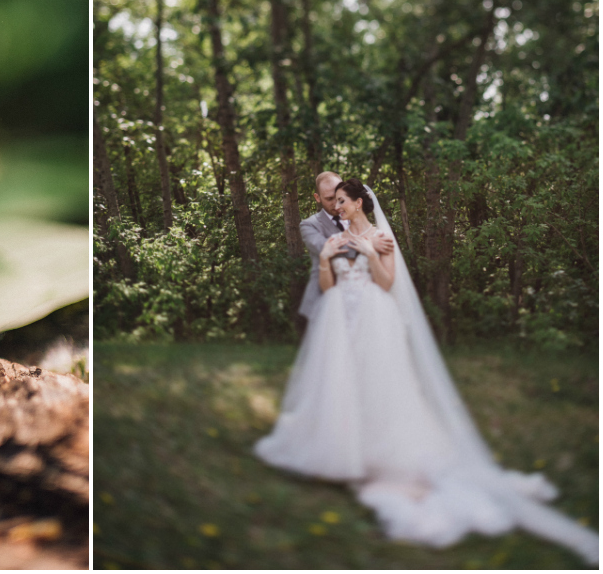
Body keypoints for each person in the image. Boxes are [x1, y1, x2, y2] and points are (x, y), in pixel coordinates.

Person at [255, 179, 599, 563]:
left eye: (340, 200)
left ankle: (380, 453)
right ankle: (344, 446)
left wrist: (369, 252)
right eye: (333, 201)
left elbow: (387, 283)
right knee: (341, 384)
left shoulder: (382, 237)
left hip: (373, 314)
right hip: (340, 318)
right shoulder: (334, 238)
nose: (335, 206)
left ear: (356, 203)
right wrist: (324, 260)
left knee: (379, 383)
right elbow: (327, 282)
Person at [297, 171, 392, 322]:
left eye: (339, 198)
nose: (336, 204)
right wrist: (367, 244)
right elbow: (325, 249)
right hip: (323, 301)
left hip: (366, 302)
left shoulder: (357, 219)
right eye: (329, 199)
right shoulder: (309, 225)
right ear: (317, 198)